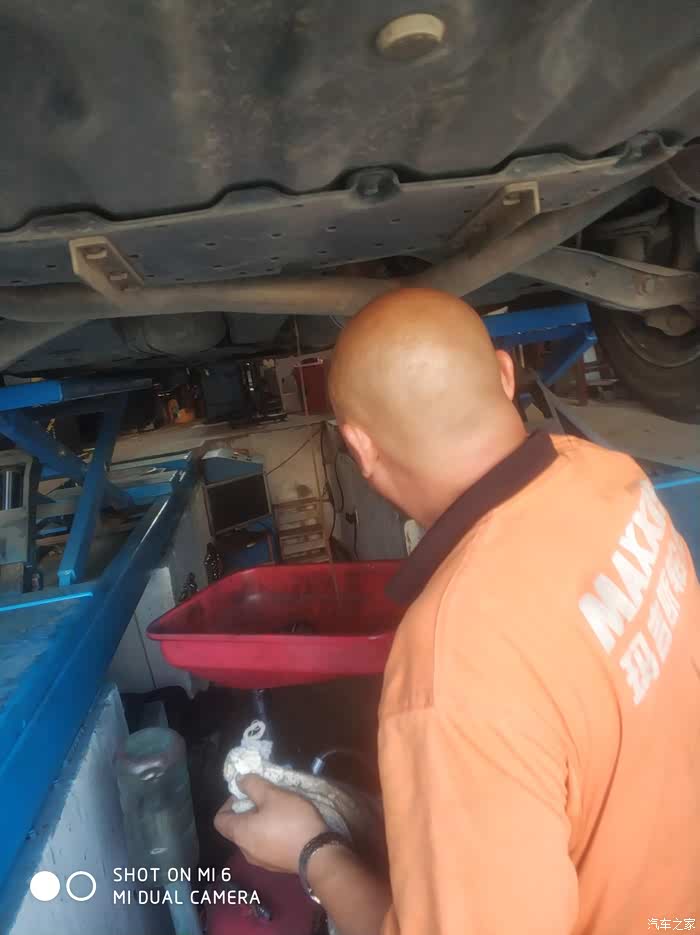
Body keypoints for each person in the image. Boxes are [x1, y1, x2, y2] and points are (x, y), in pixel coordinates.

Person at [215, 287, 700, 935]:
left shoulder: (451, 665)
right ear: (504, 374)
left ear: (360, 448)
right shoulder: (607, 475)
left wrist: (312, 851)